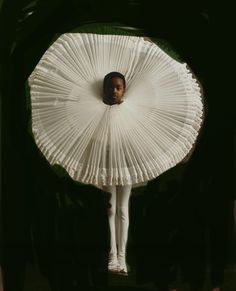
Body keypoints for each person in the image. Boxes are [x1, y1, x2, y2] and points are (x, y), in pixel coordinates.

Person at [102, 72, 131, 276]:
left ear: (123, 90)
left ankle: (122, 258)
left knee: (122, 209)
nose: (114, 91)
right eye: (111, 87)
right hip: (107, 164)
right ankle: (112, 256)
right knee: (111, 209)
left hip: (127, 165)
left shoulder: (131, 111)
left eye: (118, 87)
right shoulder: (99, 111)